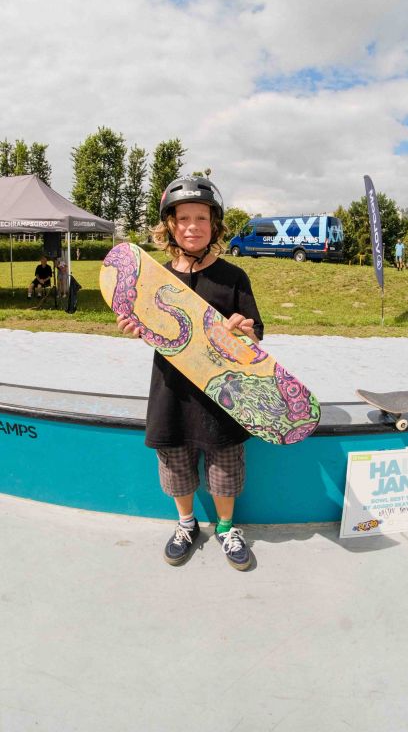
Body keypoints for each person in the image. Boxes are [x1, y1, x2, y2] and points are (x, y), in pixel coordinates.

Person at [117, 176, 263, 571]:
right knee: (176, 464)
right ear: (170, 225)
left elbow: (256, 332)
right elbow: (149, 325)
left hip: (223, 395)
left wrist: (245, 331)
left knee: (225, 468)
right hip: (172, 393)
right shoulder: (155, 280)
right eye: (183, 218)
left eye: (201, 217)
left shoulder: (233, 277)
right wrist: (136, 327)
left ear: (214, 224)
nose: (192, 226)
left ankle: (227, 528)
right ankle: (186, 525)